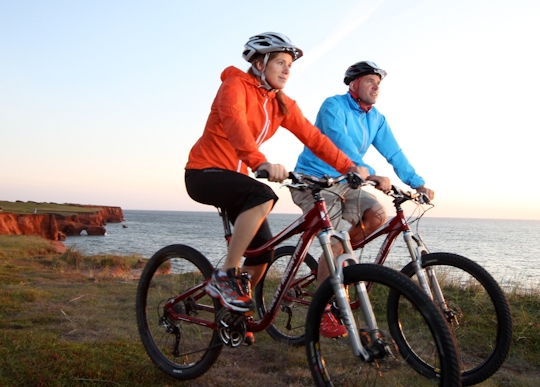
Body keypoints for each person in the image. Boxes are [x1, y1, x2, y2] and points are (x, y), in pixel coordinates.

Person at [184, 33, 369, 319]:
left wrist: (349, 167)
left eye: (289, 65)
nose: (286, 70)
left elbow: (315, 138)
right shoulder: (233, 86)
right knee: (263, 195)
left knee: (262, 255)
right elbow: (236, 127)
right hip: (204, 173)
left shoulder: (280, 103)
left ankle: (232, 313)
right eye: (280, 62)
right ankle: (225, 275)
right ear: (259, 63)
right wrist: (261, 162)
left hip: (237, 179)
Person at [291, 61, 435, 338]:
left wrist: (417, 182)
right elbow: (338, 139)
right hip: (314, 182)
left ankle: (340, 265)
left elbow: (393, 152)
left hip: (348, 182)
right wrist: (362, 168)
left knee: (378, 215)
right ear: (353, 84)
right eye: (370, 81)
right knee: (332, 244)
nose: (376, 86)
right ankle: (324, 309)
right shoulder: (333, 106)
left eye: (378, 83)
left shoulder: (376, 118)